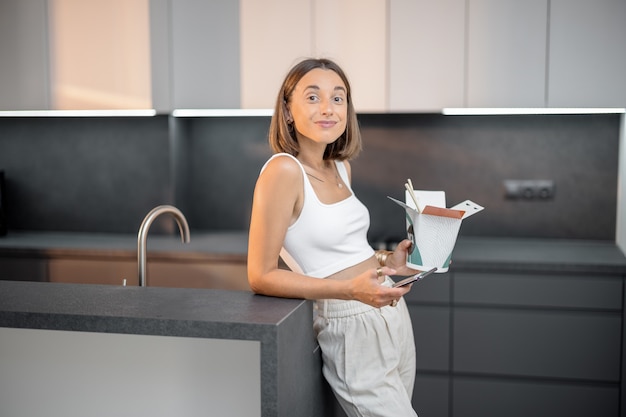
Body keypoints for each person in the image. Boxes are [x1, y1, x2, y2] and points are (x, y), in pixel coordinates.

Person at [247, 58, 420, 417]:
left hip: (390, 313)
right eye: (313, 97)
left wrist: (388, 261)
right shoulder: (283, 171)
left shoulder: (341, 167)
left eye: (338, 98)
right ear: (288, 110)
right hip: (347, 321)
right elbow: (260, 275)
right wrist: (348, 291)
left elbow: (343, 249)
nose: (328, 108)